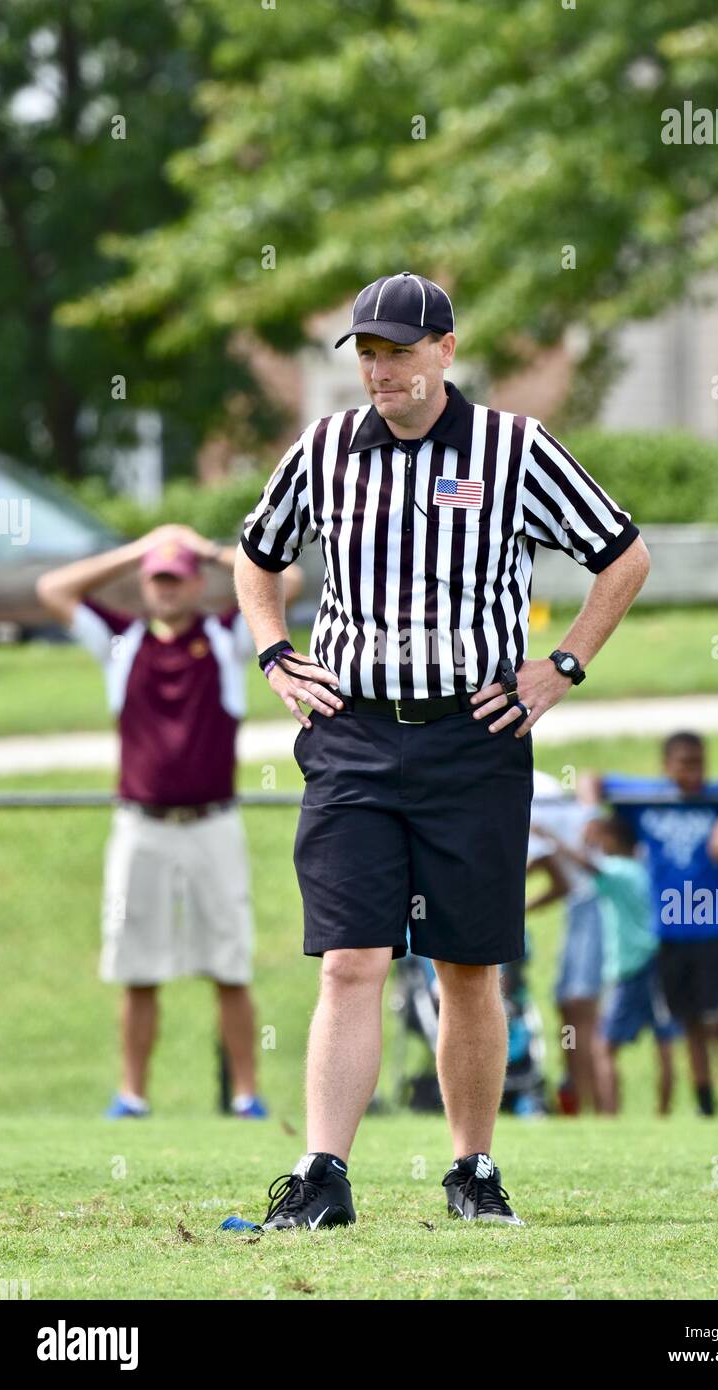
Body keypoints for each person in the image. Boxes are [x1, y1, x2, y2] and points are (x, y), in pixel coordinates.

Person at [227, 270, 650, 1232]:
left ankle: (473, 1170)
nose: (381, 371)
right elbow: (256, 555)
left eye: (400, 352)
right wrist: (274, 654)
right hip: (355, 736)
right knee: (349, 961)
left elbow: (623, 555)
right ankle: (324, 1171)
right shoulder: (327, 447)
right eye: (368, 354)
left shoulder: (515, 450)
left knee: (469, 966)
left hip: (475, 735)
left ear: (446, 351)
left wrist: (561, 667)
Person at [36, 523, 302, 1118]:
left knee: (229, 965)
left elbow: (289, 578)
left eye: (176, 578)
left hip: (213, 822)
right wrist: (141, 547)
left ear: (196, 583)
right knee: (136, 967)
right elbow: (53, 589)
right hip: (141, 824)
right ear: (144, 584)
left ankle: (246, 1096)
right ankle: (132, 1096)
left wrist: (204, 548)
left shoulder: (228, 634)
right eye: (156, 578)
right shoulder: (119, 640)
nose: (165, 589)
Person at [583, 733, 718, 1116]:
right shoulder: (648, 798)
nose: (694, 773)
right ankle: (706, 1107)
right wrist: (591, 815)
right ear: (667, 765)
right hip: (671, 929)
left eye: (699, 763)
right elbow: (590, 778)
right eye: (684, 764)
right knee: (690, 1021)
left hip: (717, 924)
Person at [546, 815, 680, 1116]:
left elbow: (587, 865)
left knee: (604, 1046)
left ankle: (610, 1115)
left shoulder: (621, 870)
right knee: (663, 1040)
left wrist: (553, 839)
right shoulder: (641, 870)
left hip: (635, 968)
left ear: (611, 839)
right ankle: (663, 1114)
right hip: (648, 965)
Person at [526, 769, 604, 1115]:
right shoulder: (535, 781)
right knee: (571, 1007)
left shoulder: (525, 791)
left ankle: (598, 1110)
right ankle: (581, 1105)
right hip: (583, 902)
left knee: (581, 1008)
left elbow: (556, 880)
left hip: (596, 901)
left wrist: (514, 909)